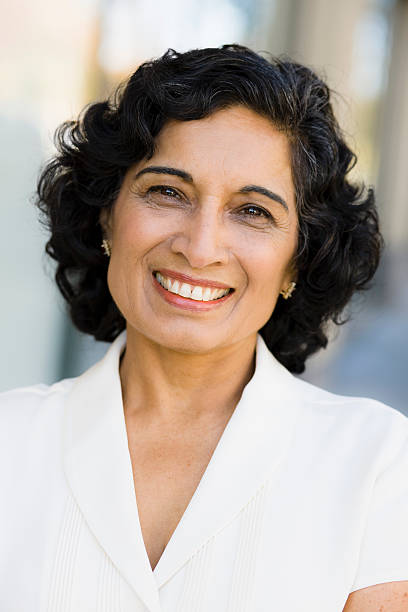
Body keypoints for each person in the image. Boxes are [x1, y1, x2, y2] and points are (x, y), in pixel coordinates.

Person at [1, 44, 407, 612]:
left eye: (253, 211)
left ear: (297, 260)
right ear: (106, 216)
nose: (200, 246)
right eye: (167, 192)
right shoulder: (9, 441)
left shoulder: (379, 465)